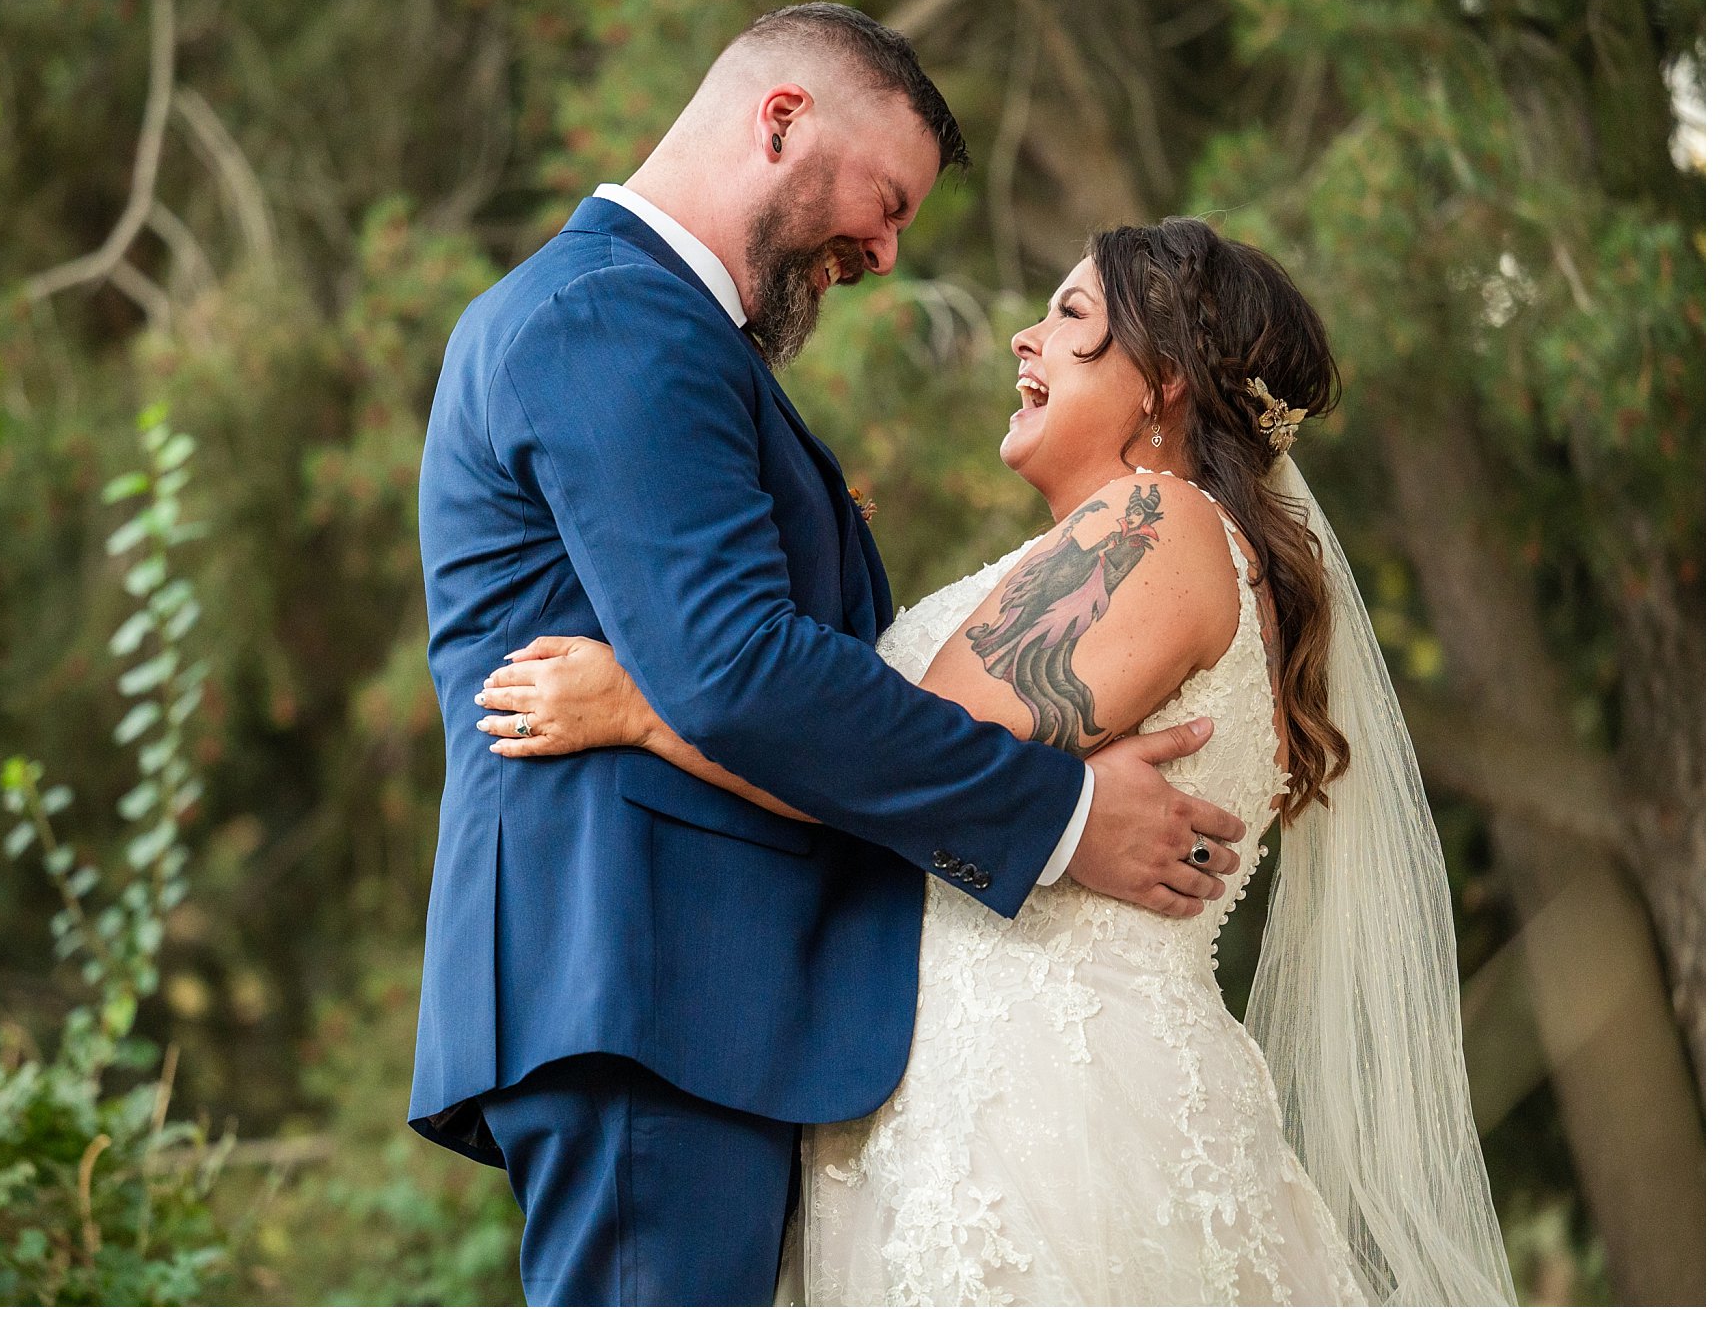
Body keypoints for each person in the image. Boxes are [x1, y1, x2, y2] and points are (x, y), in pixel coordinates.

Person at [477, 219, 1517, 1305]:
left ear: (1162, 381)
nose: (1024, 338)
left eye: (1069, 318)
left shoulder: (1152, 523)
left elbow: (883, 755)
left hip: (1038, 1108)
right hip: (988, 1088)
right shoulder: (1154, 543)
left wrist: (643, 708)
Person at [412, 4, 1249, 1306]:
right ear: (783, 120)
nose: (886, 246)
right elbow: (739, 669)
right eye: (887, 197)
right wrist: (1064, 818)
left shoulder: (659, 335)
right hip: (644, 980)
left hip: (699, 1002)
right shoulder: (610, 320)